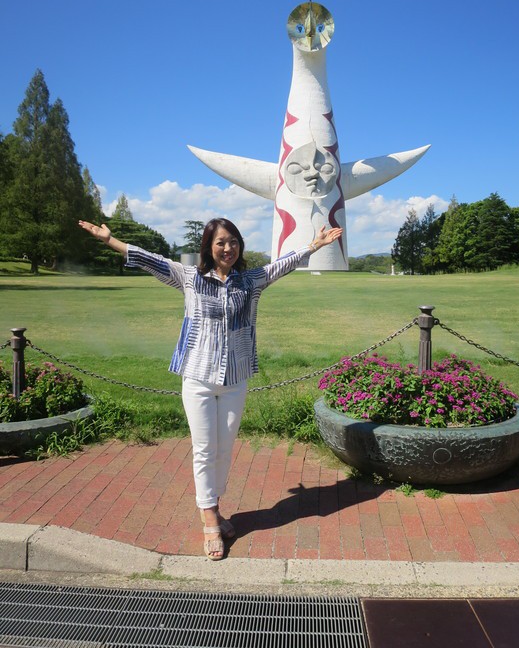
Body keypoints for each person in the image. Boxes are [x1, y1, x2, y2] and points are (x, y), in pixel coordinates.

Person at [78, 217, 343, 560]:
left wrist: (315, 244)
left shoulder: (250, 281)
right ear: (208, 246)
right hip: (198, 378)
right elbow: (150, 259)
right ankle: (208, 519)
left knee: (223, 449)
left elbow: (283, 264)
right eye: (221, 242)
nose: (228, 248)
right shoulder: (189, 277)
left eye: (233, 241)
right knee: (204, 449)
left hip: (235, 379)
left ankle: (214, 508)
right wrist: (111, 240)